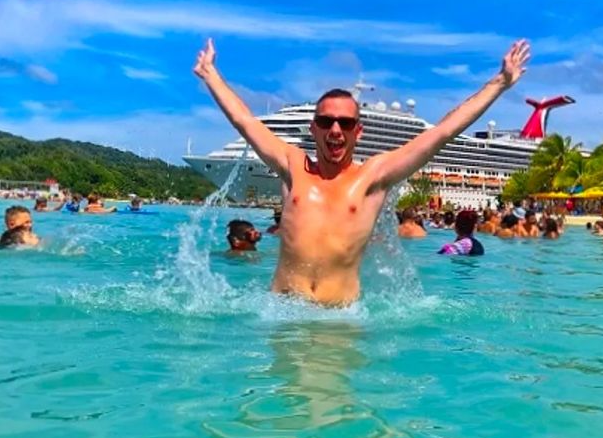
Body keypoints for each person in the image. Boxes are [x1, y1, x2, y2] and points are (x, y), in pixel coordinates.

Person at [194, 37, 530, 305]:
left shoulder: (372, 177)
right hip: (281, 311)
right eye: (326, 122)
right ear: (314, 129)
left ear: (358, 131)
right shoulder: (292, 165)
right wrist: (211, 75)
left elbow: (440, 133)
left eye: (345, 122)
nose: (335, 129)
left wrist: (498, 83)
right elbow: (245, 121)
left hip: (339, 320)